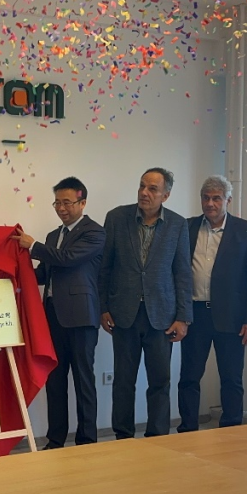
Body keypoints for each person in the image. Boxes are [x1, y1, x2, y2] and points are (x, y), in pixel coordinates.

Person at [99, 168, 193, 439]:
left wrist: (183, 317)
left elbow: (182, 273)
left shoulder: (177, 224)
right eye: (142, 186)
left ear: (166, 195)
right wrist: (103, 307)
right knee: (123, 381)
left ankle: (157, 437)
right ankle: (123, 436)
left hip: (162, 316)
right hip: (124, 313)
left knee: (160, 381)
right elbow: (104, 268)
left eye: (152, 189)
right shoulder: (116, 218)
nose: (144, 192)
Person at [14, 177, 105, 448]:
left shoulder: (94, 232)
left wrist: (32, 247)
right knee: (54, 380)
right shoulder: (54, 236)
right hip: (53, 315)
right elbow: (45, 273)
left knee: (83, 380)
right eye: (57, 203)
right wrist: (16, 272)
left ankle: (87, 439)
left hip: (82, 317)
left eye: (67, 202)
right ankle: (55, 439)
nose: (61, 208)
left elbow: (68, 259)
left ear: (82, 202)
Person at [177, 175, 247, 432]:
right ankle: (187, 430)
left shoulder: (246, 231)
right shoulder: (187, 227)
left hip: (232, 317)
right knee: (189, 377)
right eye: (206, 198)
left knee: (231, 378)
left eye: (216, 198)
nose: (210, 203)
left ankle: (232, 431)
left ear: (228, 200)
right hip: (194, 314)